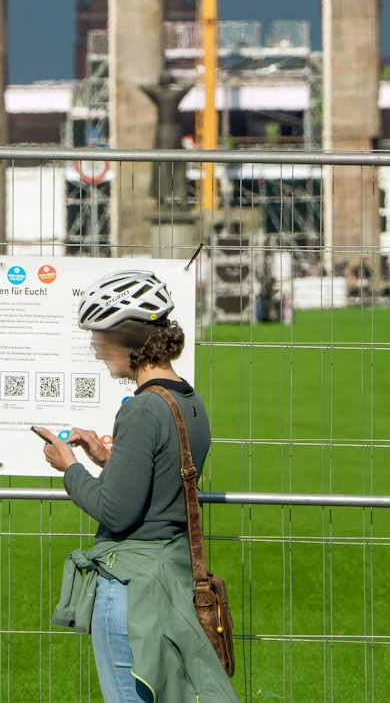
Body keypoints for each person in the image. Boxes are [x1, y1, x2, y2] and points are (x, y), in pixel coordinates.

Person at [44, 269, 237, 703]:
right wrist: (110, 459)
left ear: (127, 340)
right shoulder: (188, 400)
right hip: (171, 580)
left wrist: (70, 467)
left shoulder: (141, 409)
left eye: (99, 341)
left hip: (132, 591)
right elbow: (167, 475)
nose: (98, 354)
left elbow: (117, 512)